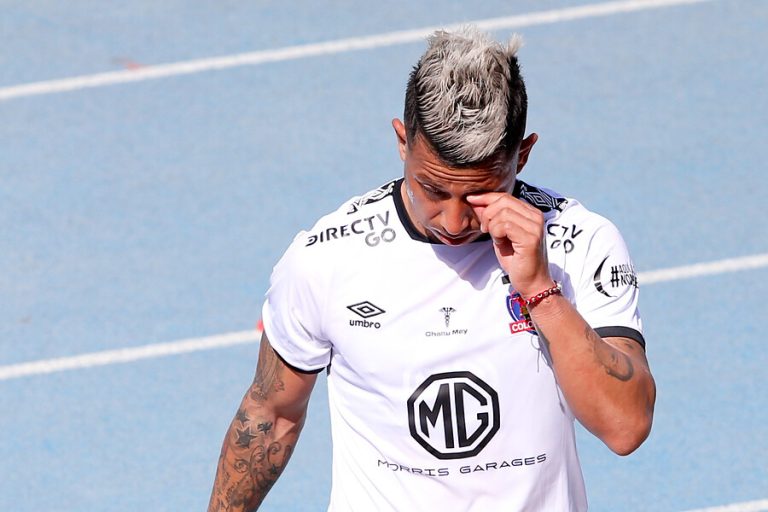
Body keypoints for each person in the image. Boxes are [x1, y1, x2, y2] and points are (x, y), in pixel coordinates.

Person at [208, 26, 656, 512]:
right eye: (434, 190)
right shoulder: (327, 259)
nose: (454, 221)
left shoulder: (580, 243)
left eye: (481, 193)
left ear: (523, 155)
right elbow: (272, 417)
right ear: (402, 142)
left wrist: (541, 291)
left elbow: (625, 426)